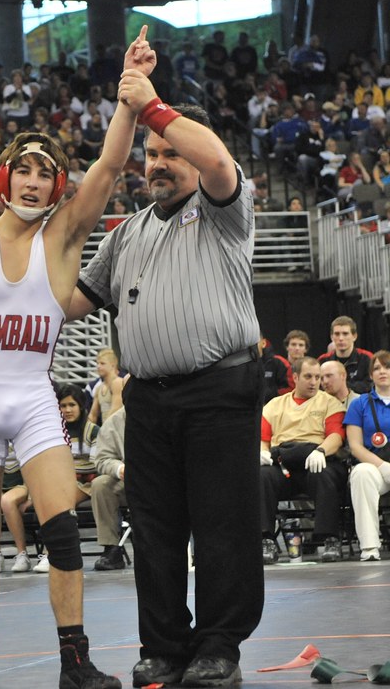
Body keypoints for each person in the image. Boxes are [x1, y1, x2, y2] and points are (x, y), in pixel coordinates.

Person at [0, 29, 154, 689]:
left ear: (56, 184)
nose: (31, 180)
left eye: (44, 172)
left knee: (61, 528)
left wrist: (128, 99)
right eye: (22, 169)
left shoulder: (65, 236)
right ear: (4, 175)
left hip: (31, 400)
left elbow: (108, 168)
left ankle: (75, 661)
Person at [69, 41, 264, 685]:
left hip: (218, 389)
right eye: (151, 155)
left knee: (221, 526)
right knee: (153, 530)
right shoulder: (127, 233)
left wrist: (149, 103)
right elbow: (72, 300)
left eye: (169, 153)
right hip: (147, 398)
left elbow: (215, 155)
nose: (158, 162)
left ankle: (219, 647)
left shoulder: (225, 211)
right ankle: (164, 646)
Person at [259, 357, 347, 564]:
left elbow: (336, 436)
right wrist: (262, 453)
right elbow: (263, 439)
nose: (314, 382)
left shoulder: (329, 403)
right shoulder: (274, 405)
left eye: (317, 377)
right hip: (282, 462)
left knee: (325, 475)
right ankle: (265, 540)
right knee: (262, 476)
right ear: (296, 378)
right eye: (308, 377)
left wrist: (321, 450)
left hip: (314, 459)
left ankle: (329, 539)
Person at [345, 350, 390, 562]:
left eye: (387, 367)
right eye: (377, 368)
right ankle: (370, 547)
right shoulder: (359, 404)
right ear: (370, 375)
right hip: (375, 466)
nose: (383, 372)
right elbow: (355, 446)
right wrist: (383, 467)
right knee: (360, 473)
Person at [90, 406, 128, 571]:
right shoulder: (114, 422)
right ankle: (111, 548)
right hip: (130, 480)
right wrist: (120, 469)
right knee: (101, 485)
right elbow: (103, 458)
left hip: (165, 478)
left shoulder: (167, 410)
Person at [317, 316, 373, 394]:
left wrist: (341, 386)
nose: (341, 338)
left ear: (354, 336)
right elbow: (317, 386)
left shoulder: (367, 358)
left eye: (345, 334)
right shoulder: (323, 360)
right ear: (331, 337)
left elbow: (371, 385)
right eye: (337, 334)